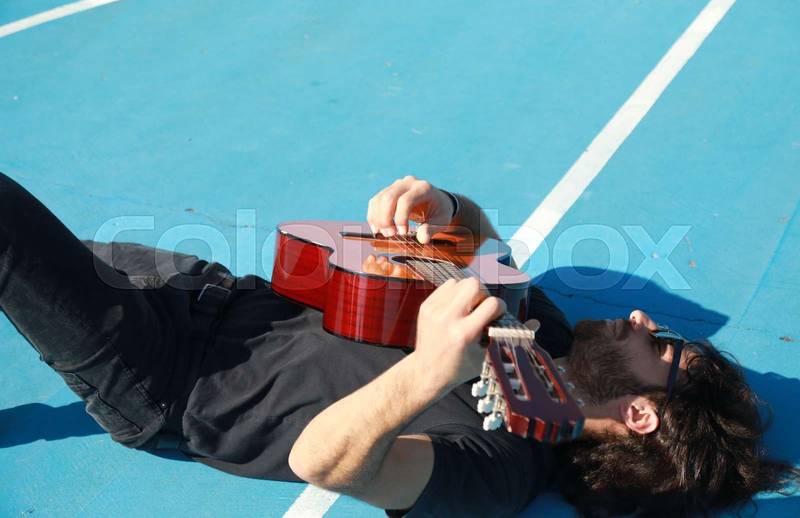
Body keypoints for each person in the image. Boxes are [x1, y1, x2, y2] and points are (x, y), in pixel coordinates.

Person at [0, 172, 795, 517]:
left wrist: (427, 372)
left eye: (666, 347)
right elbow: (480, 240)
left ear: (641, 415)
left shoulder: (500, 470)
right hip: (209, 287)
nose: (646, 319)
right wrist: (443, 204)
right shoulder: (542, 337)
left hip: (164, 373)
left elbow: (327, 461)